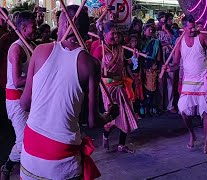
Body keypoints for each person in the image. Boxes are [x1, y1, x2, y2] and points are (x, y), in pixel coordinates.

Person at [19, 5, 101, 179]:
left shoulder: (40, 51)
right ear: (86, 30)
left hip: (30, 151)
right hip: (62, 157)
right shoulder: (90, 63)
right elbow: (92, 121)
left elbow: (25, 104)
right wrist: (110, 114)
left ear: (63, 25)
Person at [163, 15, 207, 154]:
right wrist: (169, 68)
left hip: (203, 79)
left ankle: (206, 142)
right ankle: (192, 134)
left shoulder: (201, 37)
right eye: (190, 28)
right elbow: (176, 64)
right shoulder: (179, 41)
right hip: (188, 80)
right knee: (182, 109)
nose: (194, 29)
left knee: (206, 112)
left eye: (194, 26)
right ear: (184, 28)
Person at [0, 11, 36, 179]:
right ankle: (10, 168)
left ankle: (13, 167)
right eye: (33, 26)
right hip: (16, 101)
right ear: (22, 28)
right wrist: (39, 75)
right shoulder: (16, 48)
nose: (35, 28)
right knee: (23, 143)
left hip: (28, 99)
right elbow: (16, 80)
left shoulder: (31, 45)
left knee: (32, 138)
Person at [93, 22, 138, 153]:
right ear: (105, 34)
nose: (115, 36)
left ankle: (121, 145)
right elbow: (93, 70)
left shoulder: (120, 48)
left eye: (116, 33)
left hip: (121, 85)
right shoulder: (99, 49)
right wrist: (104, 73)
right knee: (112, 117)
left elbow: (124, 63)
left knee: (126, 114)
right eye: (112, 33)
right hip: (107, 88)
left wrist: (133, 59)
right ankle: (105, 136)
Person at [141, 22, 163, 117]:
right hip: (142, 68)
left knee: (152, 89)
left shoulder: (156, 42)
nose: (150, 31)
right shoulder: (140, 42)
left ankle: (151, 107)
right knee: (143, 90)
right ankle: (145, 108)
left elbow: (158, 57)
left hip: (152, 68)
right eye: (148, 29)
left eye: (152, 30)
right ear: (144, 31)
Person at [125, 34, 144, 119]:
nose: (134, 43)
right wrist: (133, 77)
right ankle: (133, 113)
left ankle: (138, 111)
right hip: (130, 76)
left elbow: (140, 64)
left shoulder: (138, 51)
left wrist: (139, 75)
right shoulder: (127, 51)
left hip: (138, 75)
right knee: (132, 94)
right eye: (132, 41)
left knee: (139, 93)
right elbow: (128, 66)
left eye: (136, 41)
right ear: (129, 42)